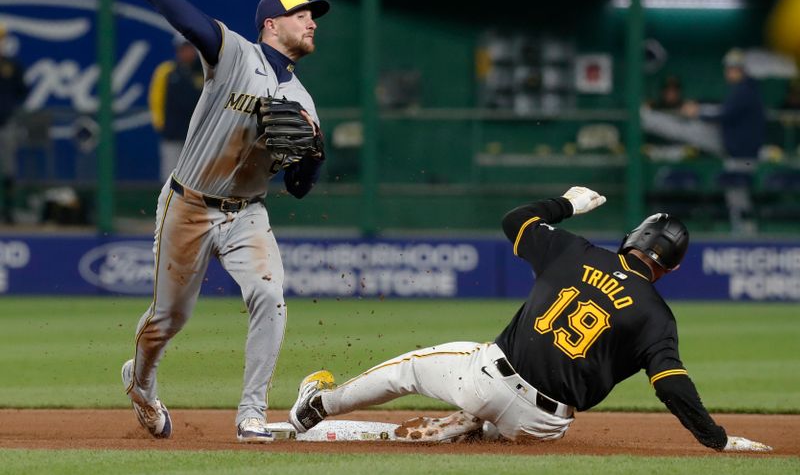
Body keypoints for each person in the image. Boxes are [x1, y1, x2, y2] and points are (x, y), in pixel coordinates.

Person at [287, 187, 771, 453]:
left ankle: (316, 408)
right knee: (491, 428)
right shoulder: (656, 316)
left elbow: (515, 220)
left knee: (408, 370)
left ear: (631, 239)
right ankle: (471, 428)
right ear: (673, 267)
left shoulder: (574, 250)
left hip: (486, 380)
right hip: (542, 424)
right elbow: (673, 386)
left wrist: (566, 205)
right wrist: (718, 440)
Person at [97, 0, 328, 442]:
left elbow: (299, 188)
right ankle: (140, 385)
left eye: (313, 15)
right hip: (189, 204)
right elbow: (187, 19)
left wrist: (314, 154)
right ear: (271, 23)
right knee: (169, 317)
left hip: (248, 213)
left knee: (269, 296)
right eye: (301, 13)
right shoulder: (236, 55)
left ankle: (251, 415)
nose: (311, 21)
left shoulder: (304, 103)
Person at [641, 49, 767, 232]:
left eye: (733, 69)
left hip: (738, 150)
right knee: (736, 194)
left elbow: (725, 113)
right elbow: (725, 110)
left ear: (741, 70)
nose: (729, 72)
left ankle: (647, 119)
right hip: (737, 150)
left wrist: (698, 111)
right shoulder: (746, 89)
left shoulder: (745, 89)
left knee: (687, 130)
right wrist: (700, 110)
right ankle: (745, 228)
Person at [148, 37, 204, 181]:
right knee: (170, 176)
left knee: (197, 177)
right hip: (173, 133)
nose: (186, 52)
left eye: (190, 48)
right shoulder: (167, 71)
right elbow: (156, 98)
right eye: (183, 49)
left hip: (198, 135)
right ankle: (169, 203)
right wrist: (161, 124)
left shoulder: (204, 71)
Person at [0, 24, 29, 224]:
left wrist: (10, 108)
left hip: (6, 121)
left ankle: (8, 211)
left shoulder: (12, 65)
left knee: (8, 170)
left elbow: (23, 90)